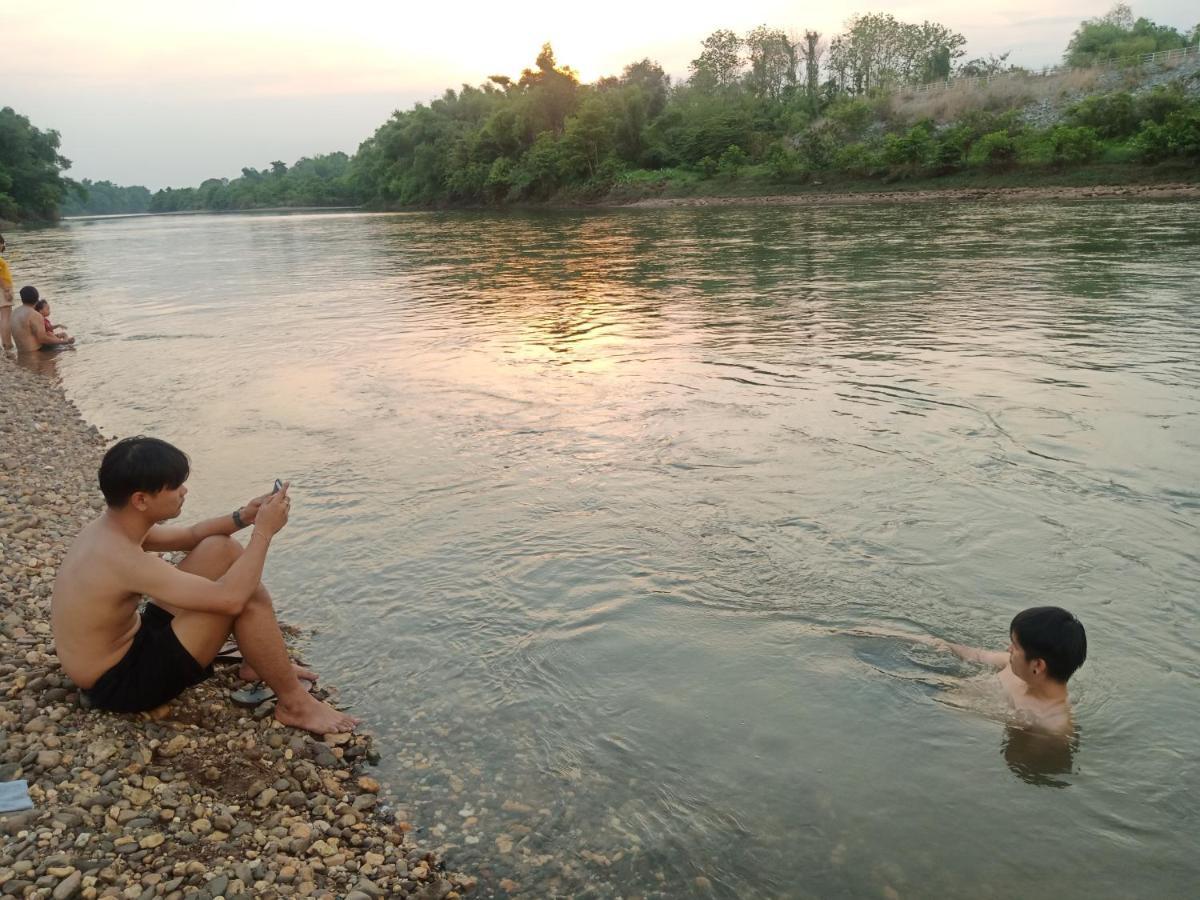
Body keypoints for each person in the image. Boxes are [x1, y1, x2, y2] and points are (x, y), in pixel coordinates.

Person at [51, 436, 360, 735]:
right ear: (141, 500)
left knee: (220, 547)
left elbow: (191, 535)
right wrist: (264, 532)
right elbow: (230, 599)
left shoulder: (111, 529)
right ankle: (294, 703)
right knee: (244, 596)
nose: (184, 491)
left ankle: (258, 662)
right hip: (121, 682)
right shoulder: (121, 558)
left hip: (131, 644)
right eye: (174, 486)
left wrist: (245, 516)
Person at [11, 286, 74, 352]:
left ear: (22, 298)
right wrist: (63, 342)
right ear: (36, 299)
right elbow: (43, 339)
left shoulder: (14, 313)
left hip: (21, 352)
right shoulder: (35, 315)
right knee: (69, 348)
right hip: (36, 353)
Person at [0, 233, 13, 351]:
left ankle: (5, 343)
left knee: (3, 317)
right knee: (6, 317)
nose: (3, 246)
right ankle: (7, 344)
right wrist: (6, 290)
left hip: (3, 288)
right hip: (3, 288)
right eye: (1, 243)